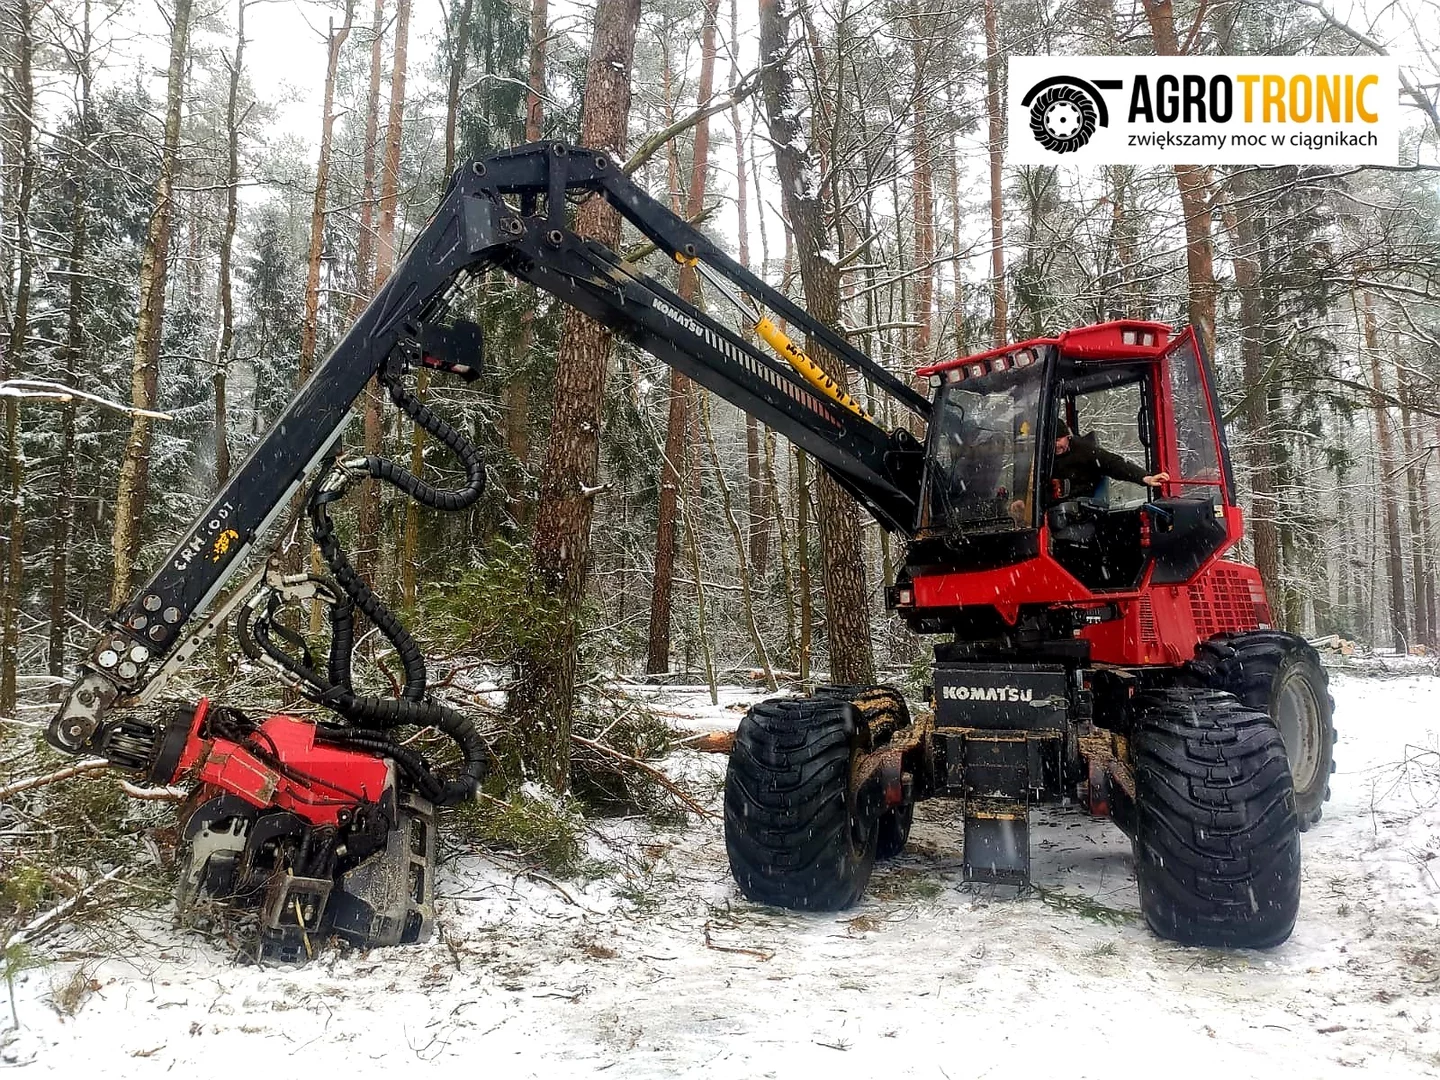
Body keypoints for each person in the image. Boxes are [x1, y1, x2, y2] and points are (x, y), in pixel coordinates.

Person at [1049, 419, 1169, 503]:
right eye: (1051, 441)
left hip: (1080, 509)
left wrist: (1144, 477)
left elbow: (1113, 463)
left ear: (1068, 437)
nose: (1055, 445)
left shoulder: (1085, 452)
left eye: (1058, 440)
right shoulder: (1044, 459)